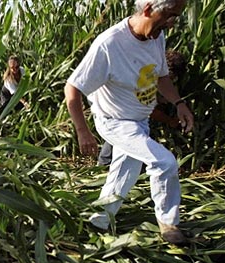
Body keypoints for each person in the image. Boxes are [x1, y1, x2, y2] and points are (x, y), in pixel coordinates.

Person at [64, 0, 194, 244]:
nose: (172, 23)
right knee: (164, 162)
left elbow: (162, 76)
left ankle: (98, 222)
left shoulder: (157, 36)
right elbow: (72, 88)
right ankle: (169, 225)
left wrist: (179, 103)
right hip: (114, 120)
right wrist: (83, 131)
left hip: (139, 121)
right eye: (168, 15)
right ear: (147, 9)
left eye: (175, 16)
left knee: (124, 173)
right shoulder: (110, 44)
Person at [98, 49, 187, 166]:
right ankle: (105, 164)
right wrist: (169, 120)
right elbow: (150, 110)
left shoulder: (150, 69)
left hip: (124, 111)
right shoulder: (146, 76)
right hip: (118, 111)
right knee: (121, 132)